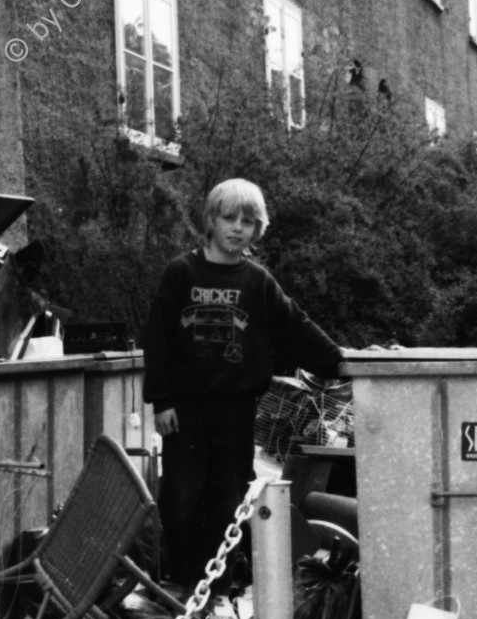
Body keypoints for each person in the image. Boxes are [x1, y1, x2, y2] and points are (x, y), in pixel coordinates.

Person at [142, 178, 342, 590]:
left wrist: (341, 361)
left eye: (248, 222)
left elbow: (295, 327)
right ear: (211, 221)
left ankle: (215, 588)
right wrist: (161, 401)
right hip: (184, 409)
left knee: (226, 502)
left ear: (257, 228)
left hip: (236, 411)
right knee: (180, 501)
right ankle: (181, 584)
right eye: (229, 218)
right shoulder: (181, 273)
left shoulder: (257, 282)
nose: (238, 228)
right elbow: (157, 339)